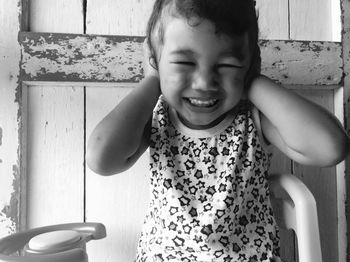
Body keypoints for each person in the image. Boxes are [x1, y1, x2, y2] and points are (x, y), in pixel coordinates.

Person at [86, 0, 350, 261]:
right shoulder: (156, 116)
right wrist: (153, 80)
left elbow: (330, 148)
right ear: (154, 58)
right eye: (184, 63)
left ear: (250, 64)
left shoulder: (252, 118)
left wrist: (253, 82)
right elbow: (101, 159)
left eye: (227, 66)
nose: (203, 82)